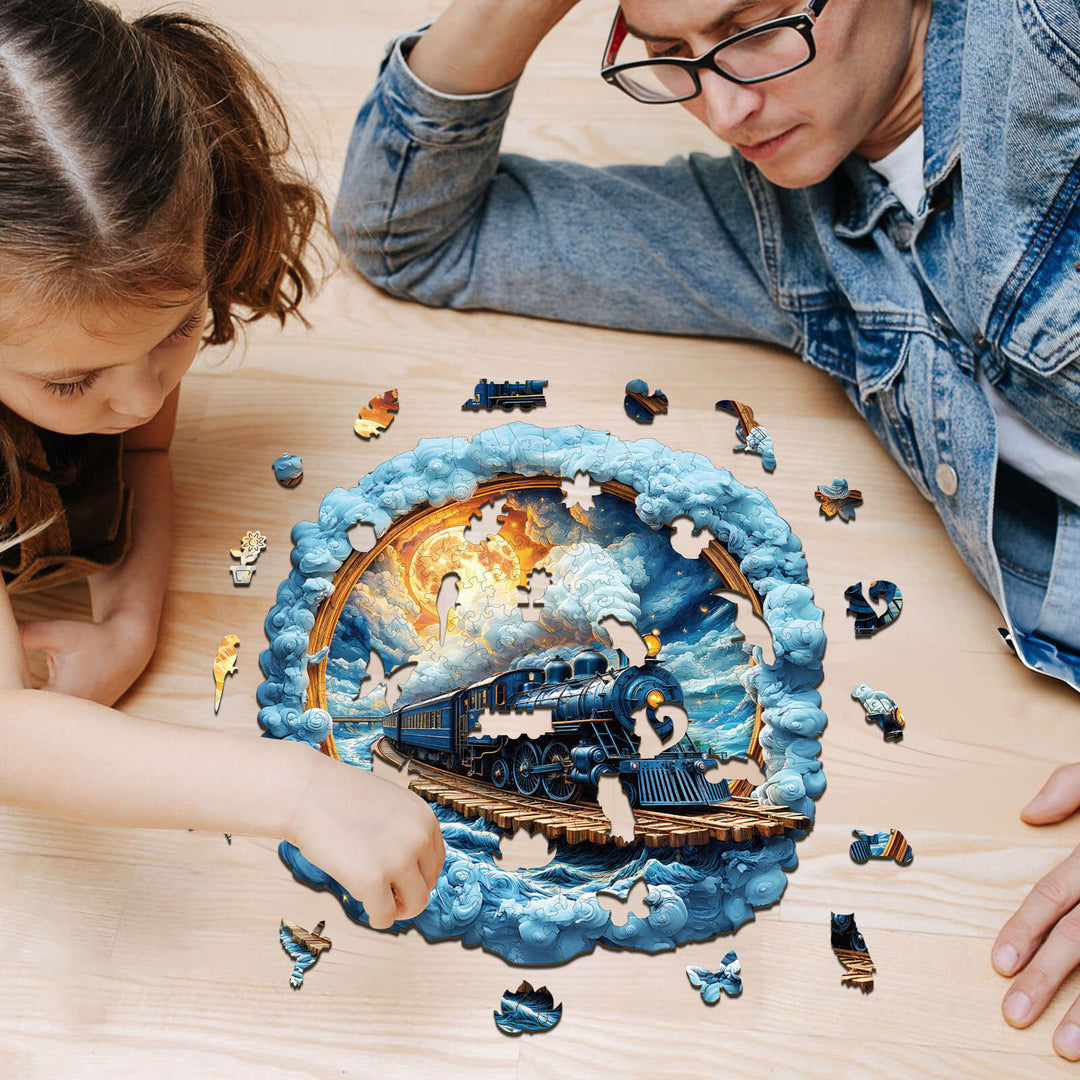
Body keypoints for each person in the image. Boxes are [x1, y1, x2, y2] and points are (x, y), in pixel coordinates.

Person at [331, 0, 1080, 1056]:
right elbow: (407, 232)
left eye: (754, 25)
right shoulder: (778, 219)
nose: (723, 107)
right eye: (669, 53)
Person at [0, 0, 444, 934]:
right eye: (72, 382)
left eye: (178, 332)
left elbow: (146, 445)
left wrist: (127, 624)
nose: (135, 398)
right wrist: (294, 789)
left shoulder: (112, 340)